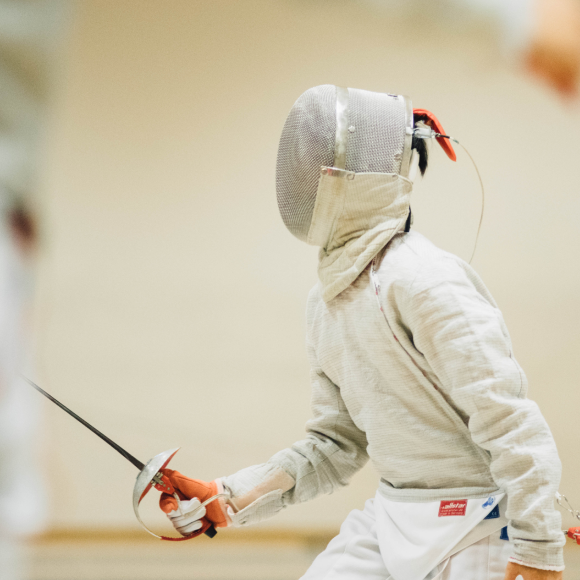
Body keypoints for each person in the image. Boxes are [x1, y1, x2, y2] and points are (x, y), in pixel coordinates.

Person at [159, 86, 565, 580]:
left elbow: (510, 422)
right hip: (392, 513)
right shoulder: (326, 299)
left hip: (475, 520)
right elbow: (335, 443)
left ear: (360, 176)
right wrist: (228, 497)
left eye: (318, 164)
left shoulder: (427, 279)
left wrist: (538, 548)